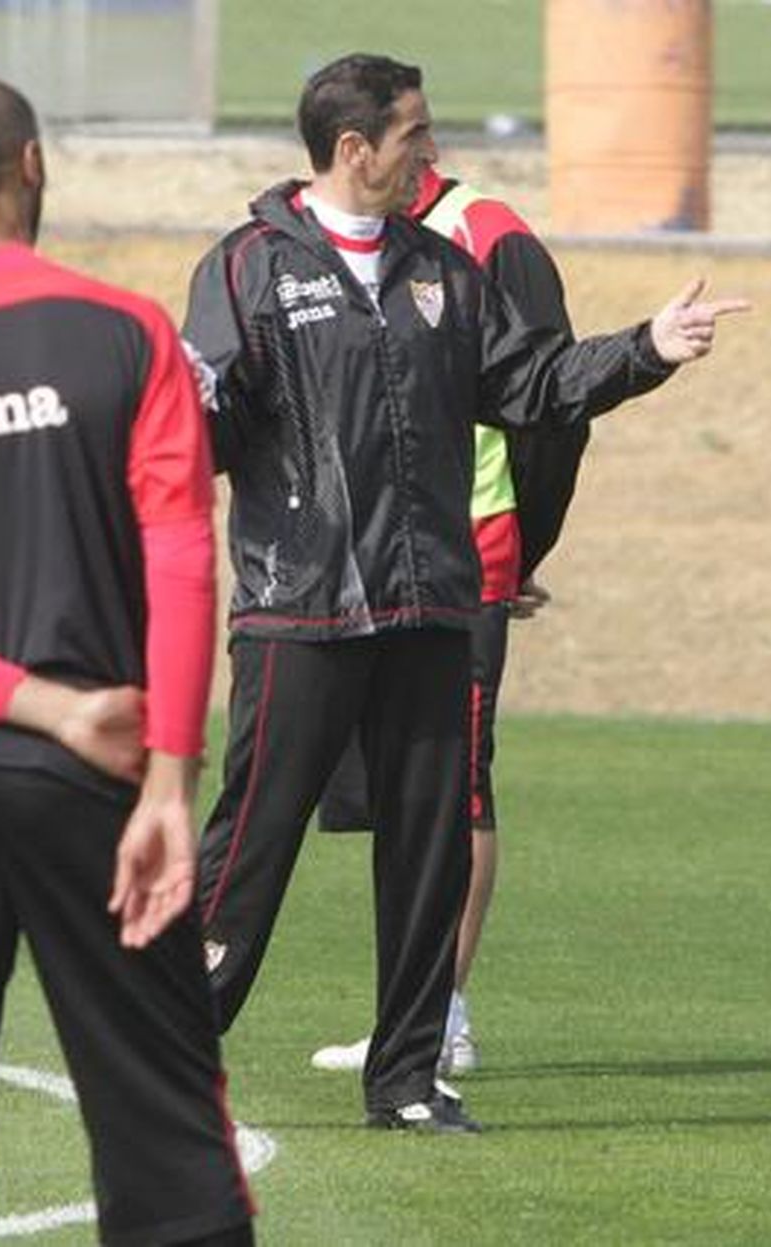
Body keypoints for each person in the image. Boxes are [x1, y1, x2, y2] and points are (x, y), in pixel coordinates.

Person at [184, 52, 746, 1134]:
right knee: (249, 849)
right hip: (300, 609)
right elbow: (205, 415)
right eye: (413, 133)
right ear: (355, 149)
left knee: (427, 851)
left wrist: (647, 349)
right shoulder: (249, 265)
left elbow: (534, 384)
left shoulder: (443, 269)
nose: (429, 151)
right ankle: (163, 1059)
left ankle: (404, 1080)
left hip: (431, 606)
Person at [0, 75, 254, 1246]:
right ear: (33, 164)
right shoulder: (124, 331)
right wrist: (167, 778)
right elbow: (182, 559)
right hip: (97, 778)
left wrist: (25, 703)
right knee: (167, 1138)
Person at [310, 154, 586, 1079]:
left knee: (455, 778)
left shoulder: (489, 234)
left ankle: (439, 1014)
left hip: (462, 546)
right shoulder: (330, 232)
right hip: (360, 553)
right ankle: (411, 1009)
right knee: (394, 784)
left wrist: (526, 546)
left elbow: (553, 401)